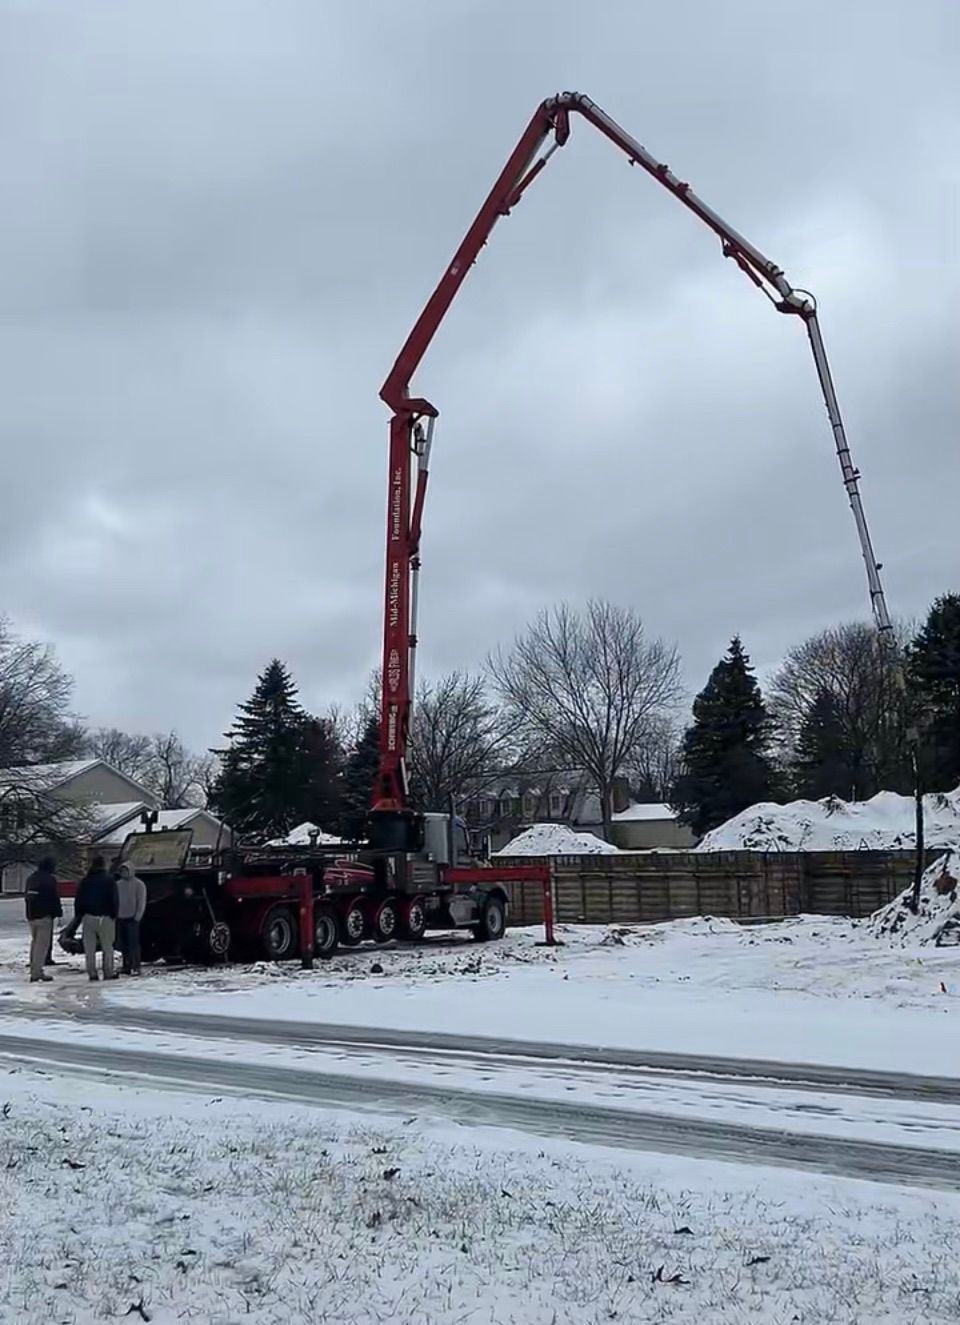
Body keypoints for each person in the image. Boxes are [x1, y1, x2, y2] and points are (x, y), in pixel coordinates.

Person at [75, 855, 118, 982]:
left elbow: (79, 900)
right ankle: (108, 972)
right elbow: (114, 899)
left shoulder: (85, 880)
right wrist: (114, 914)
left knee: (90, 949)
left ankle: (92, 973)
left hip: (88, 917)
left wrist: (80, 914)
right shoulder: (109, 880)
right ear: (103, 864)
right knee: (108, 947)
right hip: (105, 917)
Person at [24, 857, 62, 984]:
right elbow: (53, 898)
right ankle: (37, 972)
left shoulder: (31, 878)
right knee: (42, 945)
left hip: (31, 915)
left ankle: (34, 968)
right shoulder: (49, 880)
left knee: (35, 943)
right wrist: (57, 912)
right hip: (44, 915)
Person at [115, 861, 147, 975]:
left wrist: (138, 916)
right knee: (123, 944)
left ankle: (136, 965)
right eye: (122, 871)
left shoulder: (139, 884)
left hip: (132, 918)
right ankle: (126, 965)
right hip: (120, 917)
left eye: (125, 870)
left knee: (133, 943)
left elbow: (141, 901)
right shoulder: (118, 885)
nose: (124, 873)